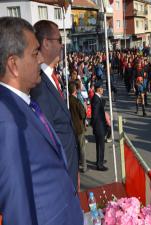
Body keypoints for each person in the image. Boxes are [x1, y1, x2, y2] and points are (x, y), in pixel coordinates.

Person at [0, 17, 83, 225]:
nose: (39, 60)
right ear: (13, 65)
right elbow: (17, 208)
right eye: (35, 53)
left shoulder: (24, 104)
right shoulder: (8, 121)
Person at [30, 20, 79, 189]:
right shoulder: (38, 85)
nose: (62, 45)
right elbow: (47, 140)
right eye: (59, 40)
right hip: (61, 176)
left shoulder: (50, 77)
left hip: (70, 168)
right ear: (46, 43)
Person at [69, 82, 87, 173]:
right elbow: (83, 114)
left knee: (76, 148)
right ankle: (84, 166)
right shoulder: (76, 101)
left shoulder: (67, 101)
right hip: (79, 127)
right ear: (75, 90)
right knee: (82, 147)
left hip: (72, 127)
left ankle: (76, 164)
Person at [91, 81, 108, 171]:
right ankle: (99, 165)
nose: (103, 90)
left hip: (100, 125)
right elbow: (95, 115)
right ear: (99, 89)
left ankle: (100, 160)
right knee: (100, 146)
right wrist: (96, 126)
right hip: (99, 126)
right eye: (102, 88)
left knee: (100, 145)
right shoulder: (96, 99)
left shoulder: (98, 98)